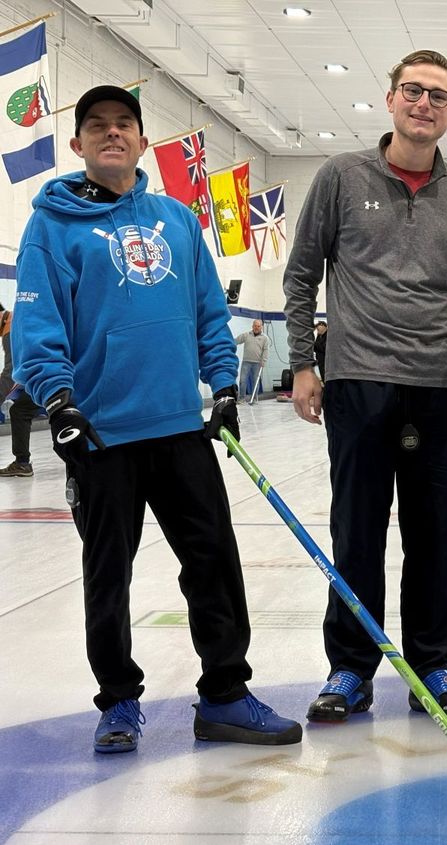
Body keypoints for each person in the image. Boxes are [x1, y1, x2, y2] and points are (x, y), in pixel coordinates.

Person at [11, 85, 302, 753]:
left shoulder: (177, 220)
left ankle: (225, 695)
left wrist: (223, 385)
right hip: (101, 435)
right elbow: (37, 323)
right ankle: (118, 701)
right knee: (108, 575)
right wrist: (58, 399)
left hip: (179, 429)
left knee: (213, 563)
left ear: (143, 141)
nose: (112, 133)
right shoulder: (51, 227)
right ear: (78, 144)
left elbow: (207, 312)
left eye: (124, 123)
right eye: (97, 125)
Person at [283, 50, 447, 724]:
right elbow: (301, 274)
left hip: (439, 387)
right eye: (413, 90)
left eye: (438, 96)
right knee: (357, 530)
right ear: (391, 98)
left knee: (435, 535)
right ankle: (351, 666)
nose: (424, 103)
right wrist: (303, 363)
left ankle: (433, 664)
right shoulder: (341, 176)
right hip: (358, 382)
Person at [0, 305, 41, 478]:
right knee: (21, 408)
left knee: (20, 410)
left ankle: (23, 463)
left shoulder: (10, 328)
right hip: (50, 374)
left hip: (50, 378)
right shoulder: (19, 319)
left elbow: (10, 374)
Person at [234, 318, 270, 402]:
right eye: (255, 326)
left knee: (255, 382)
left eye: (258, 326)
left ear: (261, 327)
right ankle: (242, 398)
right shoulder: (246, 335)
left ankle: (254, 398)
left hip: (258, 363)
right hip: (246, 362)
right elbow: (235, 341)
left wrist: (264, 361)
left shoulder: (265, 338)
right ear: (252, 326)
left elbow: (266, 350)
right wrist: (228, 344)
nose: (256, 327)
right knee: (242, 380)